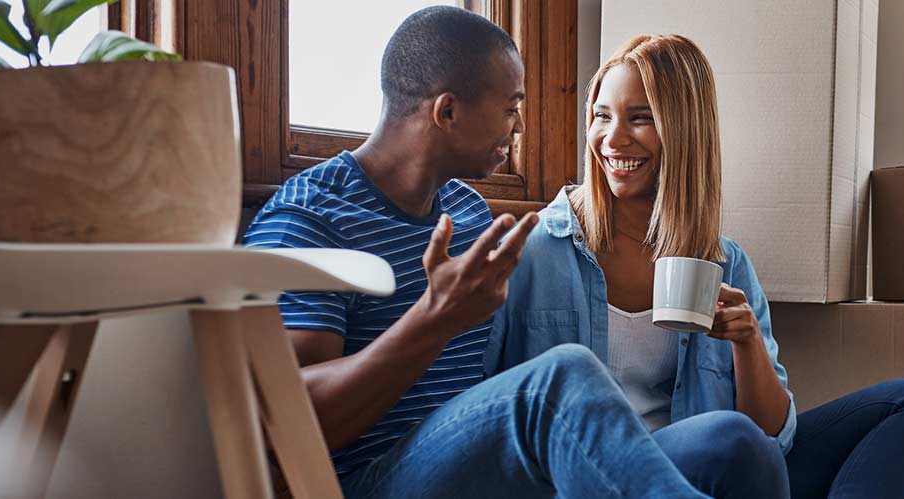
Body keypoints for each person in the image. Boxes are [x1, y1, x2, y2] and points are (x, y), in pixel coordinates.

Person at [245, 8, 714, 498]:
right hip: (363, 483)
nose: (519, 127)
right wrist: (433, 319)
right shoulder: (312, 217)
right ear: (447, 112)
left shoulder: (466, 211)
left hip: (479, 463)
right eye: (511, 107)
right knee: (559, 377)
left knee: (725, 441)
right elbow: (285, 427)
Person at [490, 34, 904, 499]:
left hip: (707, 472)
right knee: (729, 440)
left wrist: (747, 342)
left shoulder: (724, 263)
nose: (612, 139)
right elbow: (481, 413)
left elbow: (772, 436)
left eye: (640, 118)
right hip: (596, 477)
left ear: (685, 129)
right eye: (602, 116)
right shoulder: (533, 251)